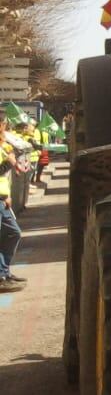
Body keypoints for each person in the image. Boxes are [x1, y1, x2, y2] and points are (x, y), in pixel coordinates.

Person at [0, 117, 23, 292]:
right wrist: (9, 161)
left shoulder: (3, 147)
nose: (4, 131)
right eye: (2, 128)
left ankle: (5, 271)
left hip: (2, 199)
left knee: (13, 233)